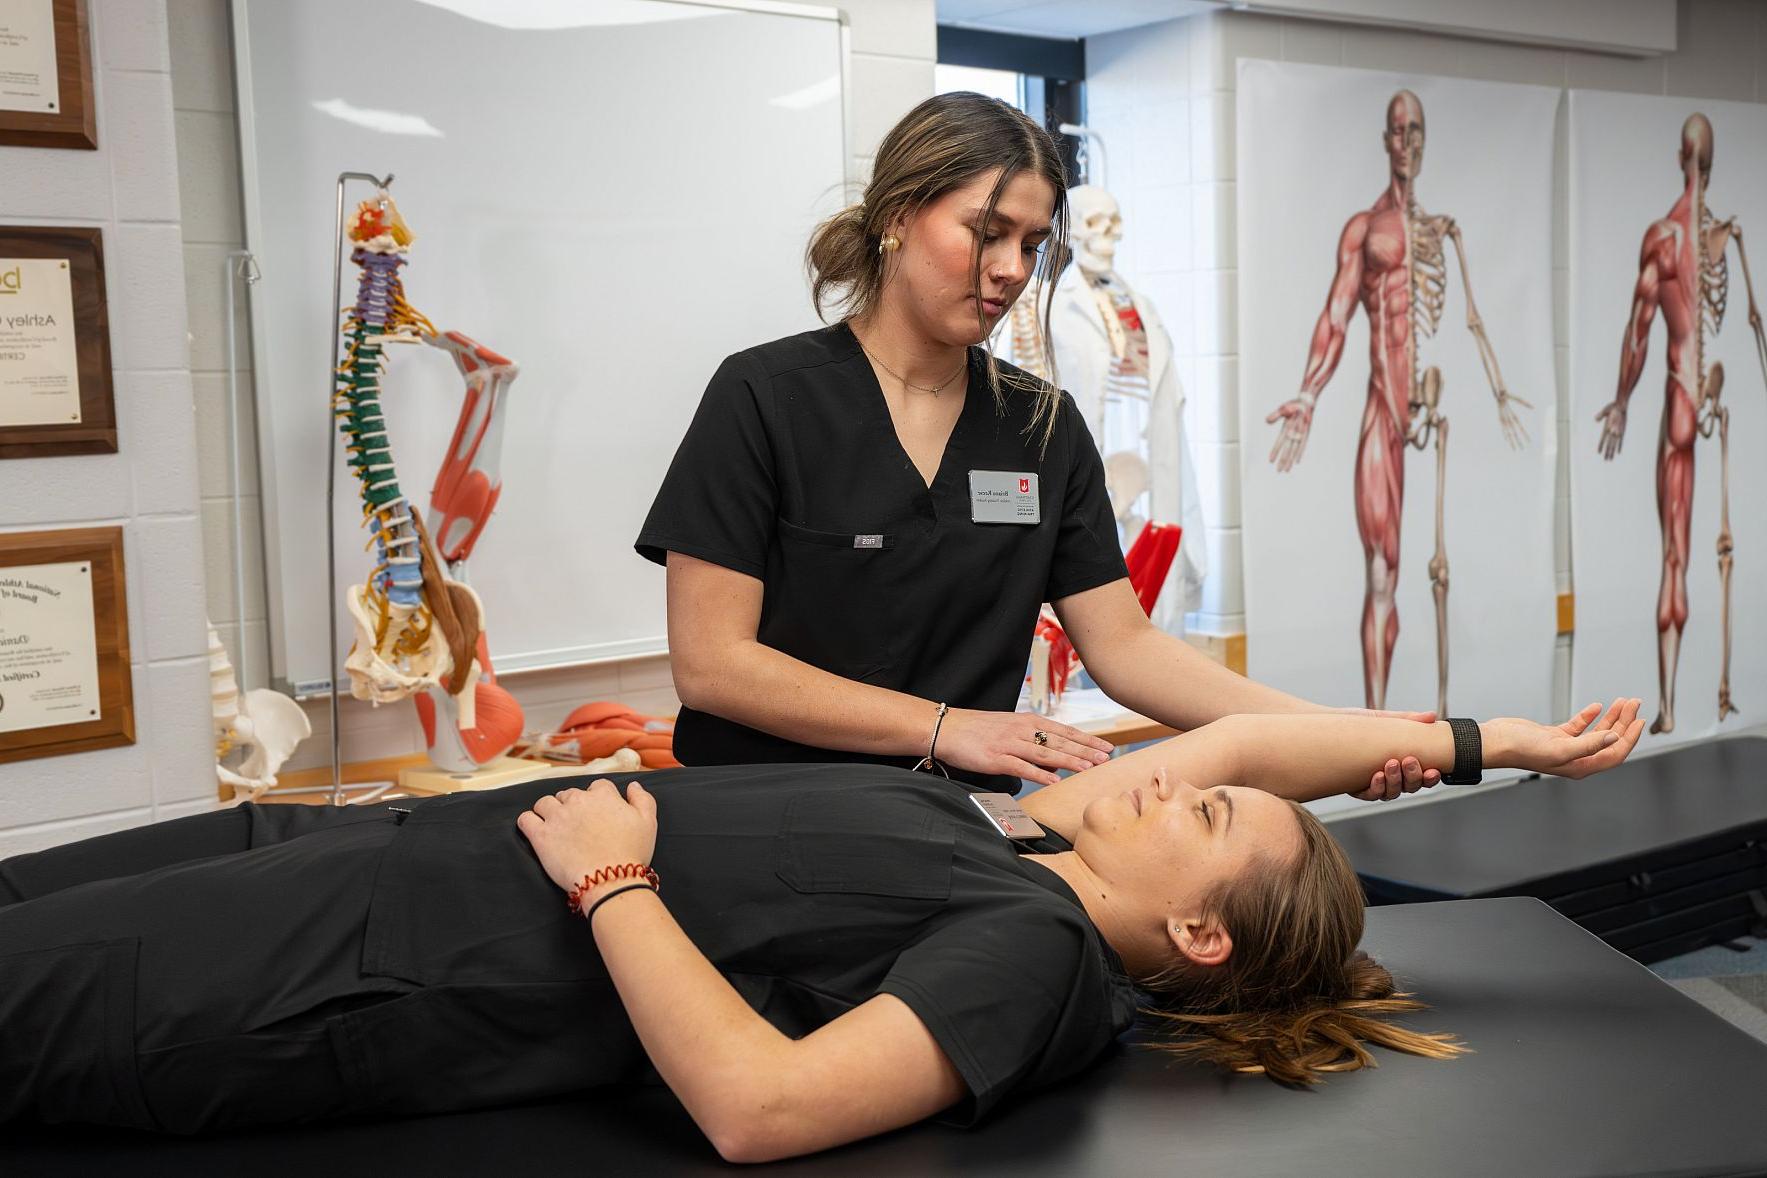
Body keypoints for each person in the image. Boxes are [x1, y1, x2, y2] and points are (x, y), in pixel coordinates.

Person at [0, 699, 1642, 1159]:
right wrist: (1497, 744)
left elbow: (762, 1107)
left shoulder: (1037, 955)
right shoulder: (1000, 830)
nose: (1172, 782)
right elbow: (1253, 748)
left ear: (1198, 936)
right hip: (306, 859)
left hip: (304, 978)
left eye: (1198, 821)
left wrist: (616, 881)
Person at [638, 91, 1441, 799]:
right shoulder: (765, 397)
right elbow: (713, 666)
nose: (1008, 270)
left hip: (959, 825)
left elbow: (1125, 647)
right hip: (766, 816)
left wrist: (1338, 732)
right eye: (985, 233)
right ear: (895, 217)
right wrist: (945, 727)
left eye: (1029, 244)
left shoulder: (1038, 426)